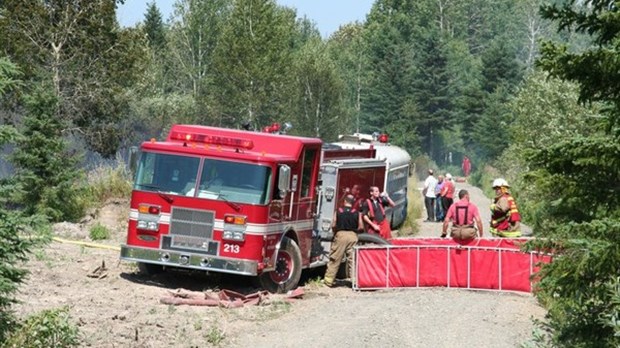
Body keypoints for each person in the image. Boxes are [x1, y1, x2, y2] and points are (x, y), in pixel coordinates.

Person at [324, 194, 362, 287]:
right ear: (352, 203)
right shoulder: (357, 213)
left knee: (335, 257)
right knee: (352, 259)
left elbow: (333, 224)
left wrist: (335, 233)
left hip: (340, 235)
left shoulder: (338, 211)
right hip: (353, 236)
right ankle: (354, 282)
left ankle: (329, 280)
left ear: (345, 201)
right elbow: (361, 226)